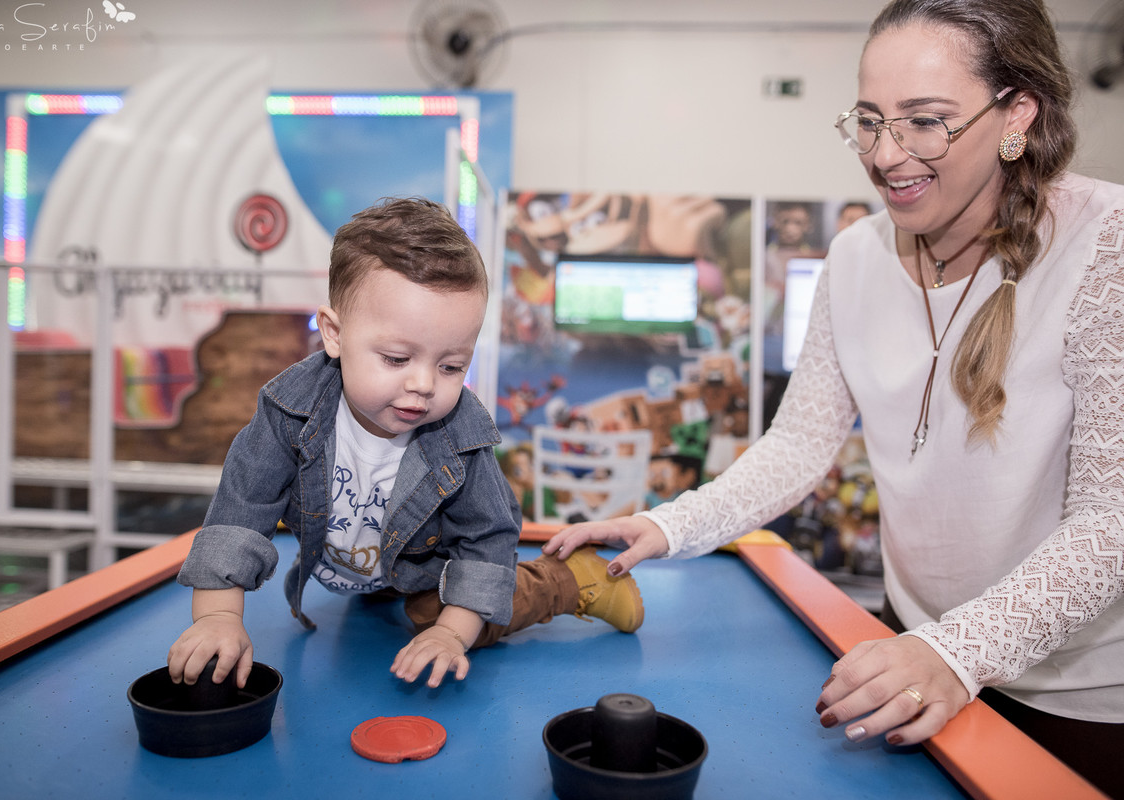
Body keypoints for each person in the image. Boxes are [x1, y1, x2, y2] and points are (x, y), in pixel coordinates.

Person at [544, 0, 1124, 794]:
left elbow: (1110, 519)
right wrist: (669, 523)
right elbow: (800, 444)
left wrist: (959, 652)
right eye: (870, 121)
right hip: (911, 649)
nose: (887, 156)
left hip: (1076, 700)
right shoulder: (854, 256)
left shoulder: (1107, 246)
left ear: (1017, 114)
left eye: (926, 122)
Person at [169, 197, 643, 692]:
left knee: (441, 613)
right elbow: (241, 510)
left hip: (425, 570)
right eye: (396, 358)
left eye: (451, 366)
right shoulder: (290, 413)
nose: (423, 384)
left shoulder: (458, 436)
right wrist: (217, 616)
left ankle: (569, 581)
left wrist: (450, 634)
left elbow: (487, 540)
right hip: (370, 571)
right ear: (333, 334)